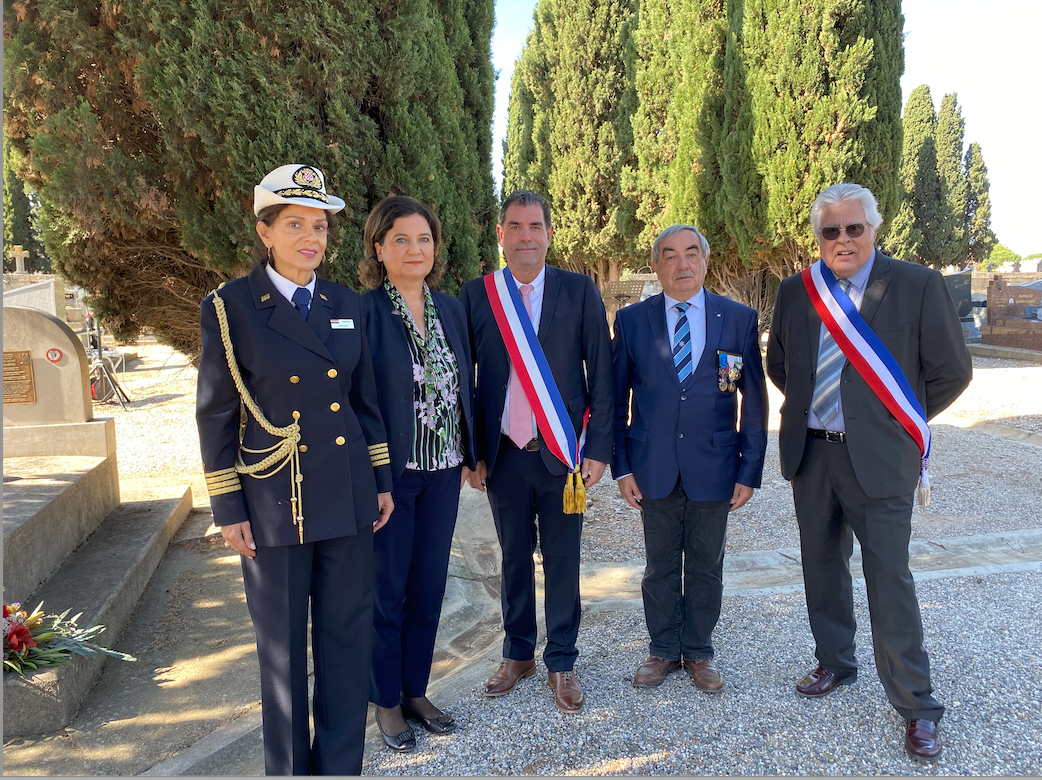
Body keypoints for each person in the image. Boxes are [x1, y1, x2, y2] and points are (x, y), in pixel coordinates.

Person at [196, 164, 394, 775]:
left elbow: (365, 400)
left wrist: (381, 479)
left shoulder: (344, 303)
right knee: (282, 654)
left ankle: (340, 767)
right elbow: (216, 414)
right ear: (265, 232)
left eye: (320, 225)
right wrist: (228, 509)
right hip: (276, 503)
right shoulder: (232, 307)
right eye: (295, 225)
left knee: (344, 643)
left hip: (348, 497)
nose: (312, 238)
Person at [765, 182, 972, 761]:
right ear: (818, 237)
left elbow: (951, 371)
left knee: (890, 578)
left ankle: (917, 704)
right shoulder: (796, 291)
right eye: (831, 231)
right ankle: (835, 661)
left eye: (854, 228)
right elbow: (781, 364)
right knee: (821, 567)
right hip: (813, 456)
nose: (843, 240)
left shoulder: (917, 284)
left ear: (874, 229)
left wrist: (888, 419)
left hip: (880, 460)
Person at [459, 190, 614, 713]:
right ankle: (517, 652)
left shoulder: (580, 290)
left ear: (549, 234)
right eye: (515, 226)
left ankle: (563, 660)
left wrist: (599, 448)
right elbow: (465, 382)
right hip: (503, 455)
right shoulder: (477, 295)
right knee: (513, 558)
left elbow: (603, 377)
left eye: (535, 226)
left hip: (562, 456)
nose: (526, 236)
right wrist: (471, 451)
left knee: (564, 559)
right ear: (500, 235)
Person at [612, 224, 768, 692]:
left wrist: (750, 469)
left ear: (705, 260)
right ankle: (662, 648)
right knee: (659, 565)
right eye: (670, 255)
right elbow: (615, 400)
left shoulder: (737, 319)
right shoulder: (633, 321)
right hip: (652, 467)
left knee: (706, 563)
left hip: (716, 467)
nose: (682, 264)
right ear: (656, 264)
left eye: (691, 254)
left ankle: (698, 651)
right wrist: (621, 466)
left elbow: (753, 401)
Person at [359, 196, 477, 752]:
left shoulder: (451, 309)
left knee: (428, 587)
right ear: (379, 248)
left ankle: (415, 689)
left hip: (443, 473)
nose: (414, 249)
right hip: (392, 479)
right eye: (401, 240)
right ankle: (384, 700)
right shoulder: (363, 313)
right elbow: (358, 400)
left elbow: (465, 390)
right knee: (388, 591)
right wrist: (375, 475)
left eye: (423, 239)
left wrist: (471, 452)